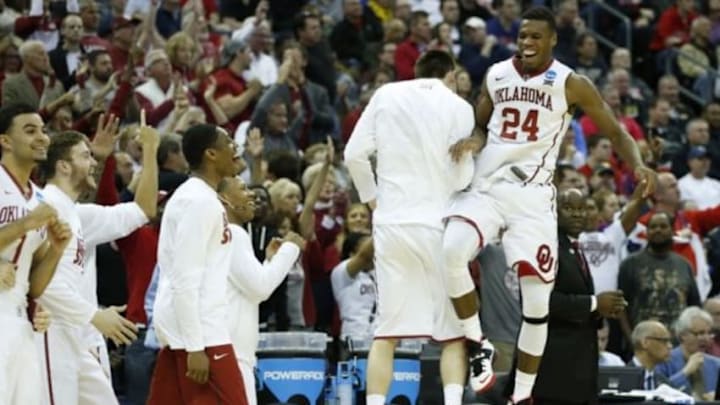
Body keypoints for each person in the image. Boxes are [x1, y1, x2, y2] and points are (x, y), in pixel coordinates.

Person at [442, 6, 655, 403]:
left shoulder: (570, 83)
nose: (526, 43)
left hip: (533, 198)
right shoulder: (497, 74)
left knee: (537, 306)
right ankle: (478, 343)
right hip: (489, 185)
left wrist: (639, 163)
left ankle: (521, 395)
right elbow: (480, 123)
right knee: (452, 250)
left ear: (553, 39)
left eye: (535, 36)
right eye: (522, 36)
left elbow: (613, 128)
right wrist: (473, 140)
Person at [344, 49, 475, 405]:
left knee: (386, 333)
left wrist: (372, 199)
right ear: (449, 76)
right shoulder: (460, 108)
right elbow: (464, 178)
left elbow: (353, 154)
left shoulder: (386, 94)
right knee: (452, 335)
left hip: (392, 223)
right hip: (438, 224)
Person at [36, 112, 159, 405]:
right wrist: (93, 314)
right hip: (52, 334)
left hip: (79, 334)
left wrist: (151, 151)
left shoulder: (77, 214)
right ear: (64, 166)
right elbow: (41, 283)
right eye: (85, 156)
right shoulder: (45, 208)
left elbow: (143, 210)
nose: (94, 162)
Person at [147, 123, 248, 405]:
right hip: (201, 331)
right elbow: (185, 279)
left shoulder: (201, 196)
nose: (235, 148)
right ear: (211, 154)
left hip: (187, 325)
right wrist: (195, 347)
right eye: (229, 142)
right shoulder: (198, 202)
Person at [0, 103, 71, 404]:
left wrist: (56, 251)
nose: (42, 137)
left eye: (43, 130)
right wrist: (26, 223)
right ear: (5, 140)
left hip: (19, 320)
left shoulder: (40, 197)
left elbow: (35, 284)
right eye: (30, 131)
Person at [528, 188, 626, 404]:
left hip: (578, 369)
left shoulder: (575, 247)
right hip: (554, 370)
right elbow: (539, 301)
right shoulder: (546, 247)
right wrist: (594, 303)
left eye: (581, 209)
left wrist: (602, 310)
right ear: (553, 211)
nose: (577, 214)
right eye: (569, 208)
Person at [220, 176, 304, 405]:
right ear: (224, 199)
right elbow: (261, 289)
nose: (251, 196)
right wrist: (290, 250)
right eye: (243, 189)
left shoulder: (220, 233)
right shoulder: (234, 233)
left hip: (228, 348)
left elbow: (250, 287)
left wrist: (269, 262)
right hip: (232, 352)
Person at [331, 232, 376, 339]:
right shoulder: (342, 272)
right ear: (352, 253)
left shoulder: (381, 273)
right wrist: (383, 228)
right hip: (354, 338)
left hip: (380, 339)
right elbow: (364, 256)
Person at [628, 321, 673, 390]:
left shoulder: (665, 384)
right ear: (645, 342)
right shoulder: (623, 379)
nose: (670, 346)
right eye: (664, 341)